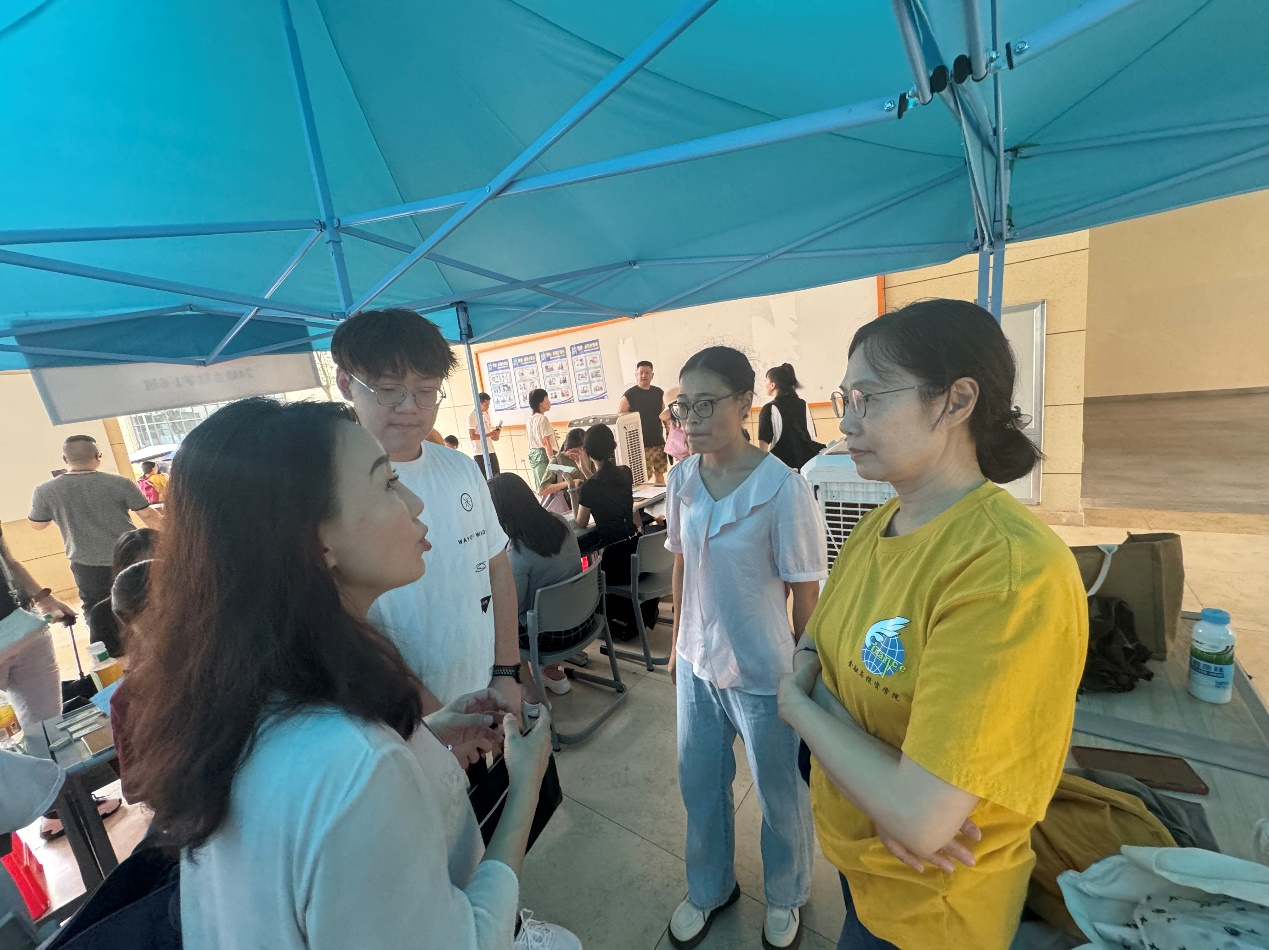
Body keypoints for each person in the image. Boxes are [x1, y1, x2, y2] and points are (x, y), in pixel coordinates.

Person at [121, 398, 562, 949]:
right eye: (387, 484)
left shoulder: (246, 697)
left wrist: (425, 735)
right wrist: (526, 783)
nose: (415, 502)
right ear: (315, 539)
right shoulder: (357, 765)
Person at [777, 300, 1088, 950]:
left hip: (933, 911)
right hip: (865, 867)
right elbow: (812, 648)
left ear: (955, 401)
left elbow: (920, 822)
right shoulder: (877, 525)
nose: (846, 422)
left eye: (867, 398)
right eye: (844, 399)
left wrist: (796, 706)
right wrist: (882, 788)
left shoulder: (1005, 572)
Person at [330, 310, 579, 945]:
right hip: (402, 716)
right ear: (346, 383)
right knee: (429, 852)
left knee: (487, 825)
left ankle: (505, 923)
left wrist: (507, 672)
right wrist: (430, 714)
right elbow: (352, 625)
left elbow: (496, 569)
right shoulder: (332, 491)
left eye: (425, 391)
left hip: (480, 696)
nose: (410, 408)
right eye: (390, 390)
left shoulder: (458, 468)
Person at [663, 347, 827, 950]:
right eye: (683, 407)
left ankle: (787, 893)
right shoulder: (682, 479)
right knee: (699, 784)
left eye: (706, 404)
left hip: (764, 671)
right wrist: (677, 646)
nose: (691, 419)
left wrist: (806, 678)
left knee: (780, 793)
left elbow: (805, 593)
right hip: (697, 664)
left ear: (743, 402)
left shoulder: (782, 488)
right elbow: (682, 566)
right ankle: (709, 888)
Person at [29, 435, 162, 639]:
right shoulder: (120, 483)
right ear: (98, 456)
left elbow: (37, 525)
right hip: (128, 556)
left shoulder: (45, 490)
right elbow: (149, 516)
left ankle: (105, 649)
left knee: (96, 609)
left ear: (65, 459)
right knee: (142, 602)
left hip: (86, 563)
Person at [487, 475, 584, 715]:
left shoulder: (518, 551)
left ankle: (532, 695)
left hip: (553, 636)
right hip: (583, 619)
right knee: (543, 611)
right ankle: (553, 673)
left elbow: (512, 607)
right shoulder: (560, 522)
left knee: (503, 629)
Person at [574, 425, 656, 643]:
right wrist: (587, 472)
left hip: (615, 559)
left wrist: (578, 487)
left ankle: (604, 623)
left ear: (587, 452)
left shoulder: (589, 488)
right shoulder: (625, 472)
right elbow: (603, 485)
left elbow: (581, 522)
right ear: (615, 446)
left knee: (589, 578)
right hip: (636, 548)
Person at [0, 527, 74, 734]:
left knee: (48, 730)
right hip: (22, 630)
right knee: (46, 730)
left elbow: (8, 562)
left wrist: (45, 600)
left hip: (23, 631)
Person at [86, 527, 159, 658]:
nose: (146, 576)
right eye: (136, 569)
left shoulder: (188, 603)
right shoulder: (102, 613)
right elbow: (105, 661)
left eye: (155, 566)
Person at [758, 363, 823, 471]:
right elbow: (812, 438)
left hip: (782, 471)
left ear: (772, 385)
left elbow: (763, 448)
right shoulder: (803, 404)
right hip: (806, 469)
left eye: (766, 380)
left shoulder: (769, 408)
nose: (765, 384)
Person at [619, 360, 667, 486]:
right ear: (636, 375)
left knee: (660, 473)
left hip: (658, 442)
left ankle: (661, 496)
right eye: (641, 373)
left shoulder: (659, 393)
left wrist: (669, 433)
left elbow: (665, 416)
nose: (644, 375)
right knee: (641, 477)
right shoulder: (629, 395)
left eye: (647, 372)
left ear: (652, 375)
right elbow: (620, 419)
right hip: (638, 445)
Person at [525, 389, 557, 490]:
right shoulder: (543, 419)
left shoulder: (530, 419)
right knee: (548, 487)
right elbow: (546, 442)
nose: (549, 402)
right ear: (540, 402)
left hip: (534, 455)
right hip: (544, 456)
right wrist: (553, 462)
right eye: (547, 399)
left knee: (540, 485)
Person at [469, 392, 504, 478]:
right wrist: (489, 434)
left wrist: (495, 434)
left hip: (490, 450)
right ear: (479, 403)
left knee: (496, 476)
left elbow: (491, 437)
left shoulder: (485, 415)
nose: (487, 407)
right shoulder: (471, 416)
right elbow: (472, 436)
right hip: (480, 452)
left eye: (488, 405)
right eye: (486, 405)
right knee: (485, 478)